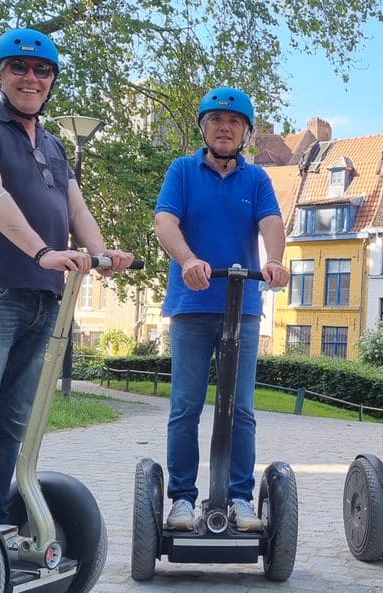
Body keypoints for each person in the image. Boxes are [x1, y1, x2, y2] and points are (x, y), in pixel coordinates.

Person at [0, 27, 134, 524]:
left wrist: (103, 253)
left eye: (42, 70)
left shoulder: (52, 143)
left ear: (52, 81)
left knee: (15, 420)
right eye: (19, 67)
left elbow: (76, 210)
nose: (30, 77)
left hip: (45, 296)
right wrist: (42, 250)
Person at [152, 87, 290, 532]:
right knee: (186, 406)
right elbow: (164, 221)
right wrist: (189, 260)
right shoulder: (182, 171)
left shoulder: (257, 180)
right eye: (215, 120)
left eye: (233, 122)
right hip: (192, 305)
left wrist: (273, 260)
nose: (224, 128)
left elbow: (271, 222)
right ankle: (182, 500)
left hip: (243, 307)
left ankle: (240, 498)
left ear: (246, 132)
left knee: (241, 408)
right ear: (203, 128)